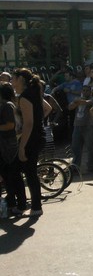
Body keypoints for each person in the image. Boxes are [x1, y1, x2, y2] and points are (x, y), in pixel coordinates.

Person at [11, 68, 47, 217]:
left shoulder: (25, 97)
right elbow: (48, 108)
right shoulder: (34, 92)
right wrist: (39, 121)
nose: (11, 82)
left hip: (31, 139)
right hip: (38, 137)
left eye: (13, 79)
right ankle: (30, 206)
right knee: (27, 172)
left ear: (20, 79)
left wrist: (22, 147)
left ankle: (30, 206)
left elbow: (28, 123)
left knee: (18, 171)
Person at [0, 82, 20, 216]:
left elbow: (10, 125)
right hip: (5, 145)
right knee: (7, 177)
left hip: (7, 147)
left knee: (9, 177)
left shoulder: (7, 106)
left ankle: (12, 205)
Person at [68, 85, 93, 173]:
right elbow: (70, 107)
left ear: (90, 91)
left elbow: (88, 103)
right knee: (75, 147)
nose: (85, 92)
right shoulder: (78, 99)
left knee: (90, 147)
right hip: (77, 125)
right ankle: (75, 166)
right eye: (83, 90)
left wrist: (78, 101)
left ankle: (91, 166)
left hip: (89, 126)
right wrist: (76, 102)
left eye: (87, 90)